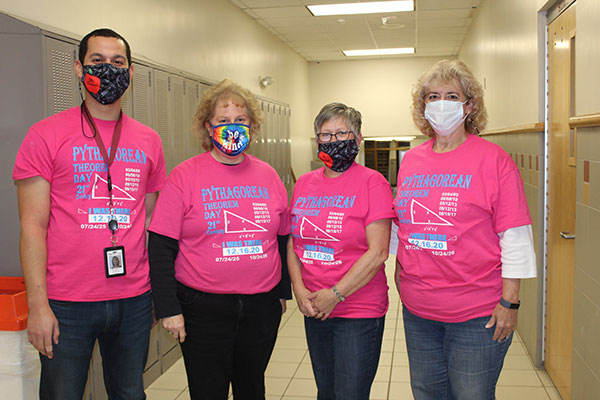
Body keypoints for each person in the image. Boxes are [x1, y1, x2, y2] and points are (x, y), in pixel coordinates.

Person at [13, 28, 166, 399]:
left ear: (130, 73)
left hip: (133, 298)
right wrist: (38, 306)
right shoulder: (45, 134)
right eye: (98, 61)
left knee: (130, 393)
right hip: (66, 302)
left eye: (118, 62)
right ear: (80, 70)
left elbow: (147, 220)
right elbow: (32, 225)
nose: (109, 69)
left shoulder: (148, 139)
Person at [393, 59, 537, 399]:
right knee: (427, 392)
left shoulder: (493, 159)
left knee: (471, 394)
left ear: (469, 105)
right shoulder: (411, 160)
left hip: (477, 314)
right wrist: (399, 275)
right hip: (419, 311)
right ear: (423, 105)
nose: (441, 103)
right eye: (433, 96)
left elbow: (514, 235)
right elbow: (404, 225)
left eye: (452, 96)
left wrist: (510, 302)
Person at [147, 79, 291, 400]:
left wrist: (282, 292)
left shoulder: (267, 175)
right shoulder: (185, 176)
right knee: (207, 391)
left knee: (252, 387)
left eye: (240, 121)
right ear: (207, 127)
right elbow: (160, 247)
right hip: (202, 308)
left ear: (252, 126)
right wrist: (168, 307)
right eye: (223, 121)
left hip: (260, 306)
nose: (233, 128)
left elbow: (282, 239)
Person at [287, 102, 394, 399]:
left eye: (342, 133)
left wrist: (334, 295)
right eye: (326, 135)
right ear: (317, 140)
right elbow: (294, 241)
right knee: (326, 391)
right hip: (314, 306)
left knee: (350, 393)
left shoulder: (373, 183)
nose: (334, 141)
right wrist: (298, 288)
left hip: (357, 308)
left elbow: (378, 252)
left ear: (358, 139)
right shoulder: (305, 184)